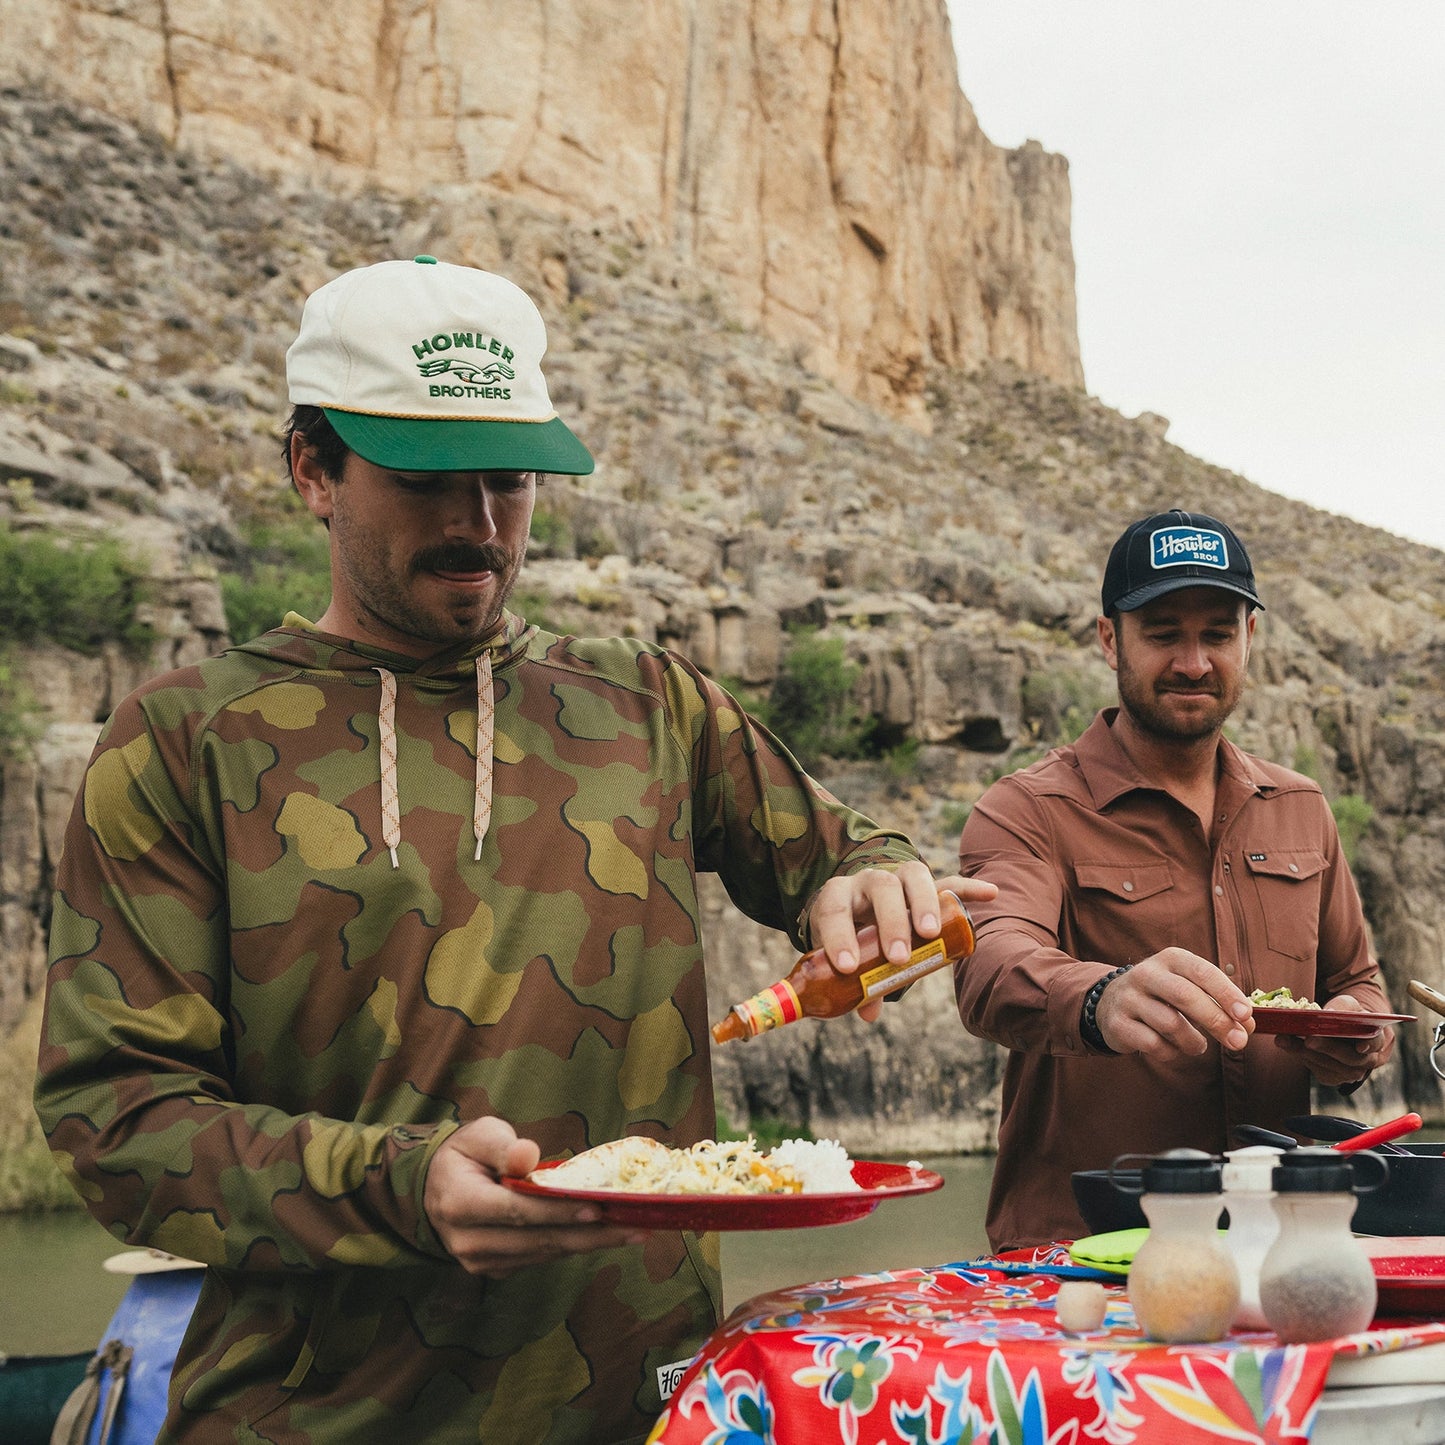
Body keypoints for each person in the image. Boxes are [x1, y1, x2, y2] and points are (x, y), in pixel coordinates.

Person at [33, 255, 994, 1444]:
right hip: (306, 1419)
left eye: (510, 476)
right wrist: (398, 1184)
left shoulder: (649, 703)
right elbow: (115, 1120)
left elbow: (842, 857)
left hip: (647, 1408)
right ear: (311, 470)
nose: (478, 523)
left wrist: (871, 881)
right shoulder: (183, 740)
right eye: (429, 475)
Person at [955, 508, 1393, 1251]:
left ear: (1248, 638)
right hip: (1083, 1257)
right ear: (1108, 639)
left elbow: (1359, 982)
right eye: (1163, 633)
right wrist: (1101, 996)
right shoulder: (1025, 808)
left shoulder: (1300, 809)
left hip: (1275, 1247)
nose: (1193, 661)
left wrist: (1351, 1032)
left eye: (1216, 634)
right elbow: (989, 965)